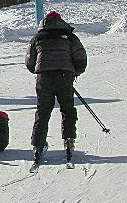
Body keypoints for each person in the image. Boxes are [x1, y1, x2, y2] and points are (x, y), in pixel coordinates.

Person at [25, 10, 87, 162]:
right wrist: (74, 73)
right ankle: (69, 140)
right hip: (64, 77)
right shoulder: (69, 36)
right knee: (67, 110)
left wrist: (39, 71)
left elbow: (29, 61)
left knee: (43, 111)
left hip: (44, 78)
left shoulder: (37, 38)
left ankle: (38, 145)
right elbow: (81, 58)